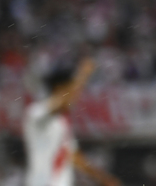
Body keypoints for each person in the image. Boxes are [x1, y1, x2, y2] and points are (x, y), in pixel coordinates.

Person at [23, 58, 121, 186]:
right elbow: (65, 103)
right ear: (59, 87)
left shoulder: (61, 122)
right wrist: (83, 75)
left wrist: (103, 178)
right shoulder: (37, 112)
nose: (76, 93)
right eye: (70, 86)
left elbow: (73, 157)